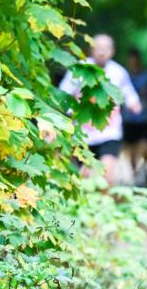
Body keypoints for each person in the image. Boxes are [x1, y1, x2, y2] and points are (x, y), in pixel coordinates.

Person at [58, 34, 141, 186]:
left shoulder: (118, 72)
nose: (102, 52)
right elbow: (63, 94)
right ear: (91, 50)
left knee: (107, 178)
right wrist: (69, 110)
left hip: (110, 132)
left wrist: (134, 103)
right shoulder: (80, 69)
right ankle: (90, 208)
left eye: (106, 48)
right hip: (82, 134)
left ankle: (107, 206)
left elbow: (128, 92)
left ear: (112, 51)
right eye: (98, 48)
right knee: (87, 179)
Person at [124, 48, 147, 187]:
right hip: (129, 118)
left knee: (145, 146)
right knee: (131, 149)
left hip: (145, 117)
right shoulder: (124, 76)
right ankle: (135, 174)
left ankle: (143, 168)